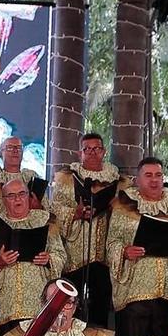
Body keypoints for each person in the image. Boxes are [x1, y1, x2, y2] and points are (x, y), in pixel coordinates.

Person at [106, 157, 168, 336]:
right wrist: (124, 251)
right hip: (134, 292)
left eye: (158, 175)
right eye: (148, 175)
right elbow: (111, 244)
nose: (154, 179)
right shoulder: (123, 206)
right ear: (138, 180)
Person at [47, 132, 120, 325]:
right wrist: (76, 213)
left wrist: (112, 206)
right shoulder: (67, 178)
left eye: (96, 149)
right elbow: (55, 209)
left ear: (103, 151)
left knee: (101, 305)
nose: (92, 153)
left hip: (103, 254)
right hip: (75, 252)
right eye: (87, 149)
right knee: (72, 302)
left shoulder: (116, 179)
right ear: (80, 153)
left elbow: (124, 214)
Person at [0, 176, 65, 330]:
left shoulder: (45, 221)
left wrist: (48, 259)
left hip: (37, 298)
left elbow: (60, 255)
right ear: (4, 200)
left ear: (28, 196)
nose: (17, 199)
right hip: (6, 302)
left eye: (22, 194)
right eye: (11, 196)